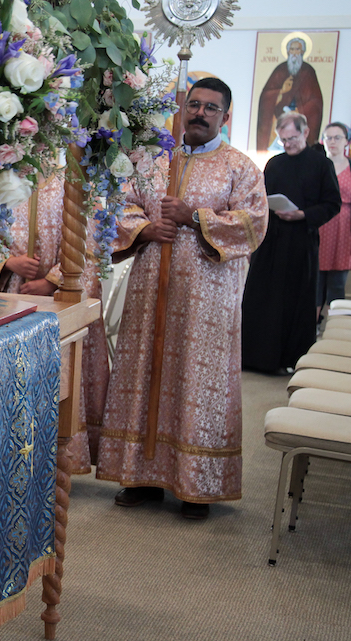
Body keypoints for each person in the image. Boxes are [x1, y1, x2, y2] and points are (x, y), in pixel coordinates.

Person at [96, 77, 268, 520]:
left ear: (225, 117)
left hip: (207, 299)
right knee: (144, 372)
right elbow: (120, 204)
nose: (200, 113)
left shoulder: (240, 167)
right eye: (194, 104)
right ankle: (141, 476)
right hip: (150, 289)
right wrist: (145, 228)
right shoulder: (155, 159)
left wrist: (194, 218)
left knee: (196, 380)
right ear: (183, 107)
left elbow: (253, 224)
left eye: (211, 108)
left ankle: (195, 486)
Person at [0, 171, 109, 473]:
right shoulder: (5, 180)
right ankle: (10, 458)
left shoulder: (73, 182)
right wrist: (8, 262)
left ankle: (52, 458)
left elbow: (90, 244)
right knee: (16, 376)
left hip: (56, 301)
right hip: (13, 295)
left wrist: (52, 281)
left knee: (56, 377)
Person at [242, 113, 341, 373]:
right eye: (283, 140)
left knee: (294, 302)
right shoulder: (274, 164)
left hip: (300, 241)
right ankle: (254, 358)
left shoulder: (321, 165)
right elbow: (260, 201)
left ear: (305, 132)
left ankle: (289, 360)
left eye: (292, 138)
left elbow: (332, 204)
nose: (287, 144)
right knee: (261, 298)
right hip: (270, 241)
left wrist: (302, 214)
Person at [256, 36, 324, 152]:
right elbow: (267, 97)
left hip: (300, 114)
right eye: (292, 49)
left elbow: (315, 101)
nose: (294, 53)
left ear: (303, 52)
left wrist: (302, 109)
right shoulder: (280, 70)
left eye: (297, 49)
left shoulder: (308, 71)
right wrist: (282, 91)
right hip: (279, 114)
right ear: (287, 51)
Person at [317, 122, 351, 322]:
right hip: (319, 228)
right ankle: (312, 328)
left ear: (347, 141)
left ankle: (333, 328)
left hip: (344, 231)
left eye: (337, 137)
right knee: (315, 284)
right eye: (328, 137)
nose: (332, 142)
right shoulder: (317, 166)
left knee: (337, 284)